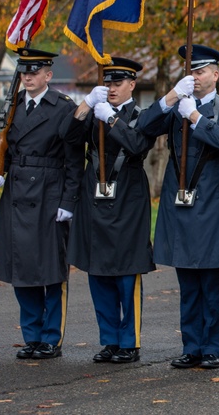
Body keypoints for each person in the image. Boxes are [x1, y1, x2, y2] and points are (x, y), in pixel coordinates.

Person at [138, 45, 219, 370]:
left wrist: (195, 117)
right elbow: (143, 126)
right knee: (187, 284)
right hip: (182, 204)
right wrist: (171, 98)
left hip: (212, 203)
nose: (195, 77)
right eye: (191, 72)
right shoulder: (177, 104)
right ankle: (191, 346)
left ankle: (212, 347)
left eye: (201, 71)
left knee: (211, 283)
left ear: (216, 74)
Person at [0, 48, 82, 360]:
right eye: (24, 71)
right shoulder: (13, 107)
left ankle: (51, 338)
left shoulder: (63, 108)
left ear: (48, 75)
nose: (27, 76)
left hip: (50, 193)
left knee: (51, 269)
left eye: (34, 71)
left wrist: (68, 201)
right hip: (17, 194)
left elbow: (75, 161)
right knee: (22, 269)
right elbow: (7, 150)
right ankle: (32, 336)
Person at [63, 57, 155, 364]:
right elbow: (69, 136)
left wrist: (112, 120)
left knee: (126, 272)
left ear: (132, 84)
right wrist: (87, 105)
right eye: (107, 83)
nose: (111, 88)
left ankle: (130, 341)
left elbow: (138, 145)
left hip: (128, 194)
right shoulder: (95, 111)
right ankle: (110, 339)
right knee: (98, 270)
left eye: (117, 83)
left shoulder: (141, 115)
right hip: (95, 196)